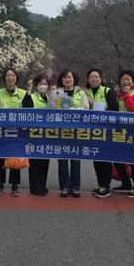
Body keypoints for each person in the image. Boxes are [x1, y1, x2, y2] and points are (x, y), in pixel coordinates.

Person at [0, 68, 26, 196]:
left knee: (15, 157)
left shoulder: (23, 93)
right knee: (0, 158)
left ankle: (14, 186)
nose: (10, 78)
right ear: (4, 78)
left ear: (16, 78)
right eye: (8, 76)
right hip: (1, 130)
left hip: (17, 131)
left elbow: (27, 110)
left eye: (13, 75)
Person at [52, 69, 88, 197]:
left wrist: (74, 109)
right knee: (62, 161)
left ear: (74, 79)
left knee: (75, 160)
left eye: (69, 77)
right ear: (61, 80)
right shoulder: (57, 93)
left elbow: (86, 109)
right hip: (61, 131)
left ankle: (75, 187)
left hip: (77, 131)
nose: (67, 80)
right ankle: (64, 187)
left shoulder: (81, 93)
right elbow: (52, 109)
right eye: (65, 77)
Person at [84, 68, 119, 198]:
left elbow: (115, 108)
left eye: (96, 76)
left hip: (106, 130)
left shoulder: (107, 91)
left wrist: (97, 105)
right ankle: (100, 184)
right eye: (91, 77)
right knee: (96, 158)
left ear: (101, 78)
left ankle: (105, 186)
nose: (94, 79)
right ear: (88, 79)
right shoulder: (85, 93)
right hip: (92, 131)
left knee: (105, 159)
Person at [115, 70, 134, 198]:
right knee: (117, 158)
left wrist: (127, 93)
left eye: (128, 79)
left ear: (133, 81)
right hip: (122, 131)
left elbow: (132, 107)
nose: (126, 82)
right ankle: (126, 183)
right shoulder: (120, 95)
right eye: (123, 79)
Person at [22, 73, 51, 196]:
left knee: (44, 161)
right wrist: (28, 90)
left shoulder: (50, 98)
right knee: (34, 162)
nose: (43, 86)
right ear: (36, 85)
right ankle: (35, 187)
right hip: (34, 134)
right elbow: (26, 106)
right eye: (41, 84)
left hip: (47, 134)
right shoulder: (32, 97)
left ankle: (42, 186)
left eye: (45, 84)